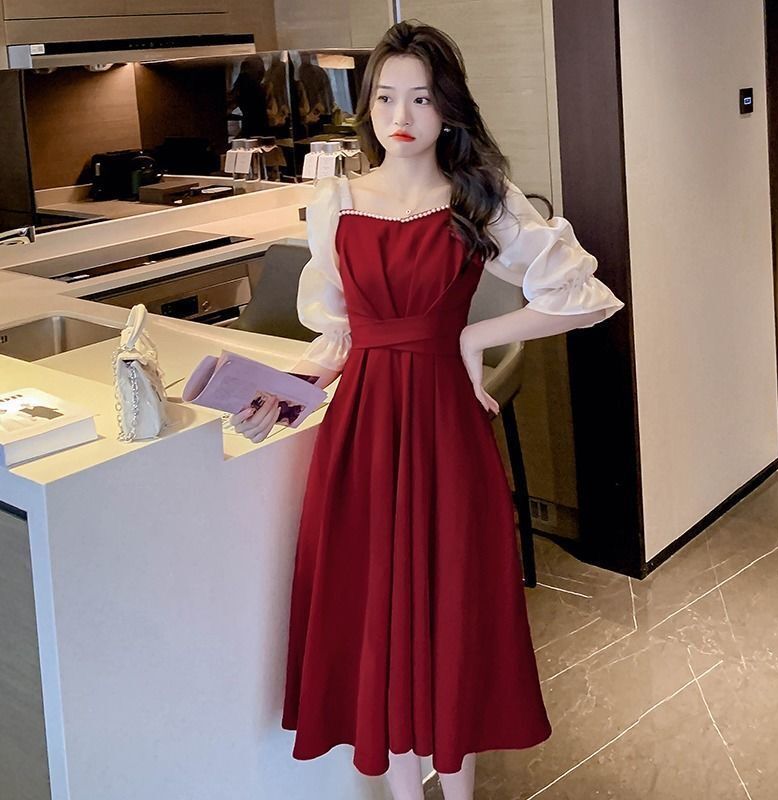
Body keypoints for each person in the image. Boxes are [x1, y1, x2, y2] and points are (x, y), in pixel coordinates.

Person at [230, 19, 625, 800]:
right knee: (376, 614)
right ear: (367, 106)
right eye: (384, 97)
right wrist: (284, 394)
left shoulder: (480, 198)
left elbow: (583, 296)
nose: (400, 115)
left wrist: (476, 333)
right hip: (362, 434)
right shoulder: (337, 201)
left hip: (446, 430)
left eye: (420, 97)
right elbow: (339, 334)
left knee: (454, 613)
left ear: (448, 108)